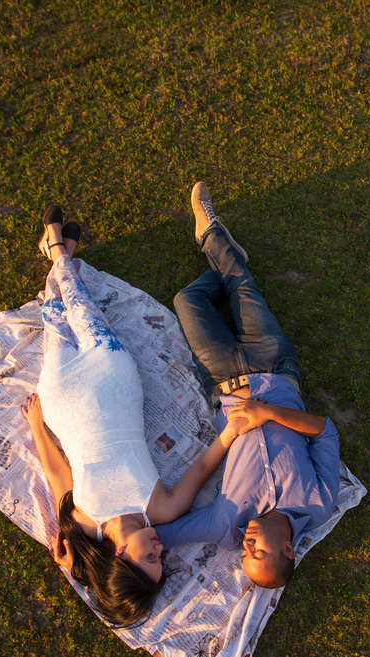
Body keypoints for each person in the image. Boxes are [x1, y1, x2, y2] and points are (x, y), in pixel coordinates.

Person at [21, 205, 246, 626]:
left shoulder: (86, 523)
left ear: (121, 555)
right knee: (80, 307)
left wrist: (36, 425)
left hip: (63, 398)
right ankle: (58, 250)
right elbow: (200, 470)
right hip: (114, 379)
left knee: (54, 318)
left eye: (151, 556)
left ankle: (60, 254)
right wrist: (231, 434)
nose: (161, 548)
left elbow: (57, 478)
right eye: (163, 558)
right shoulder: (158, 512)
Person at [156, 183, 341, 589]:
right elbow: (326, 431)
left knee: (186, 301)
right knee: (243, 287)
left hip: (223, 378)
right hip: (276, 366)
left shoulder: (226, 522)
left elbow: (160, 537)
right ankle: (209, 229)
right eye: (258, 552)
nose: (247, 545)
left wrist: (94, 545)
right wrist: (270, 412)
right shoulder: (319, 503)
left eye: (245, 554)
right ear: (289, 550)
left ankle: (229, 260)